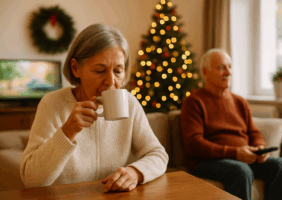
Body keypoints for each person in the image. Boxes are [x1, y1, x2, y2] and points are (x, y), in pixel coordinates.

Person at [20, 23, 168, 193]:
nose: (111, 82)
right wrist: (68, 131)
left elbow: (158, 155)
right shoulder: (52, 104)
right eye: (99, 71)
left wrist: (136, 172)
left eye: (118, 71)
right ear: (75, 68)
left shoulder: (129, 103)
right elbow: (31, 180)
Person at [180, 48, 282, 200]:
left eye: (230, 66)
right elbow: (194, 144)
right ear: (205, 72)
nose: (228, 72)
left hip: (243, 157)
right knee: (241, 171)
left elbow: (253, 132)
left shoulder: (239, 101)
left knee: (279, 164)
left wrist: (260, 147)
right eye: (221, 68)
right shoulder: (194, 102)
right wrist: (235, 153)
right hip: (208, 162)